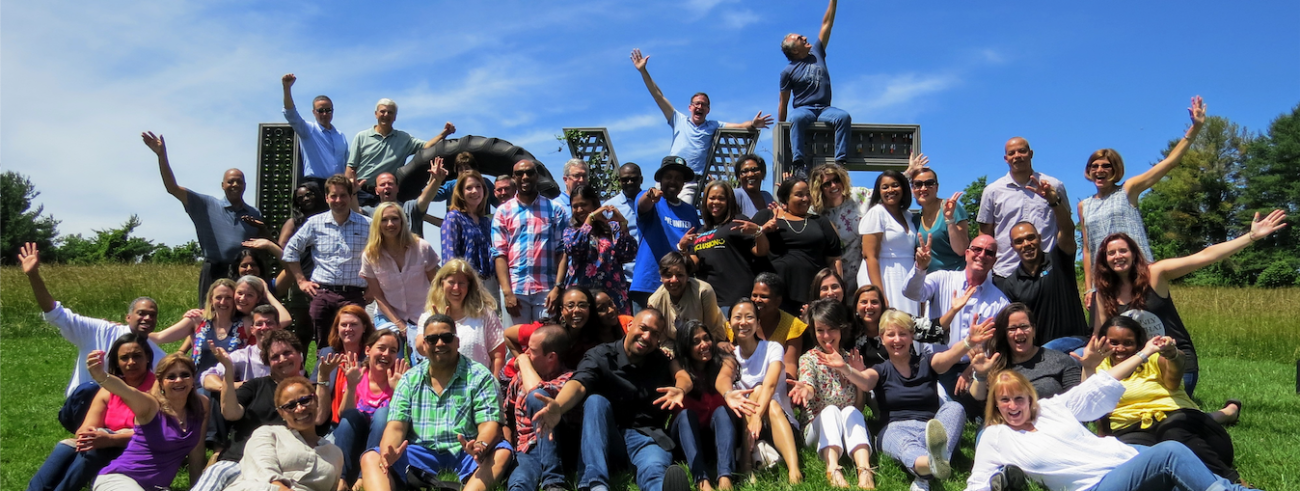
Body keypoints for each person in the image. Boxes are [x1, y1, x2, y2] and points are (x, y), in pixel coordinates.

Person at [963, 337, 1260, 491]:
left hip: (1123, 461)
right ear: (997, 406)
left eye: (1018, 398)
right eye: (1005, 401)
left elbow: (1100, 385)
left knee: (1176, 474)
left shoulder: (1051, 409)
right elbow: (977, 482)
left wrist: (1144, 353)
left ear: (1030, 398)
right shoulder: (996, 436)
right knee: (1170, 452)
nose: (1013, 406)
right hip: (1097, 485)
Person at [1091, 209, 1287, 397]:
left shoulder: (1156, 274)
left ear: (1133, 254)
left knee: (1165, 412)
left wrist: (1250, 237)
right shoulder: (1104, 294)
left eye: (1123, 251)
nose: (1117, 256)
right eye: (1111, 253)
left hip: (1175, 361)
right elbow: (1099, 339)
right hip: (1135, 365)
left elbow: (1204, 256)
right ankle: (1224, 413)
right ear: (1105, 259)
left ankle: (1223, 413)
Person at [530, 309, 695, 491]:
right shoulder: (601, 355)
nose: (647, 337)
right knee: (595, 401)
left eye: (655, 334)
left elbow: (683, 376)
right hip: (608, 439)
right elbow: (579, 384)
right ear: (630, 326)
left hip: (646, 437)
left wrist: (680, 389)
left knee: (654, 471)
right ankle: (595, 486)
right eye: (643, 328)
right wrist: (559, 406)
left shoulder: (661, 360)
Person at [827, 310, 990, 491]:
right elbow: (865, 382)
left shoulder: (926, 361)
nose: (897, 340)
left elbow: (947, 357)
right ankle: (931, 465)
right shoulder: (880, 370)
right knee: (905, 446)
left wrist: (968, 342)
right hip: (894, 428)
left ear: (911, 336)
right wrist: (846, 369)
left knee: (954, 407)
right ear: (882, 338)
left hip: (931, 429)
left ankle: (927, 471)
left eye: (903, 334)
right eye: (891, 334)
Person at [17, 242, 167, 431]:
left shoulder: (156, 355)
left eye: (152, 315)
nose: (147, 318)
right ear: (128, 317)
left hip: (122, 417)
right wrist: (33, 275)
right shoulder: (99, 330)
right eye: (142, 313)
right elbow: (55, 313)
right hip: (82, 406)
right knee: (90, 388)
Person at [359, 315, 513, 491]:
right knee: (371, 458)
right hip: (420, 452)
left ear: (457, 342)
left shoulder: (480, 376)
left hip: (466, 451)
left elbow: (489, 423)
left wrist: (480, 445)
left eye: (446, 338)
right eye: (432, 339)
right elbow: (396, 426)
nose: (439, 343)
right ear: (424, 346)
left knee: (502, 451)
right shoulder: (410, 379)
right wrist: (389, 451)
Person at [1080, 96, 1207, 308]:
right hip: (1105, 281)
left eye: (1106, 166)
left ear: (1115, 170)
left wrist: (1194, 130)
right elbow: (1087, 249)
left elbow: (1168, 163)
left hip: (1139, 274)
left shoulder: (1128, 190)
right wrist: (1089, 287)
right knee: (1111, 336)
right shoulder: (1085, 205)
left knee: (1148, 328)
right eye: (1094, 166)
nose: (1099, 170)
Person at [1090, 316, 1244, 482]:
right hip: (1133, 430)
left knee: (1172, 432)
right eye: (1114, 342)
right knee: (1132, 460)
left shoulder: (1152, 358)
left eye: (1128, 343)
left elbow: (1174, 375)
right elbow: (1097, 409)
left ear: (1138, 343)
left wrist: (1172, 354)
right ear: (1104, 342)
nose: (1120, 348)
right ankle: (1228, 412)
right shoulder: (1099, 367)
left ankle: (1232, 482)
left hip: (1185, 425)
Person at [631, 49, 773, 204]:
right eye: (696, 104)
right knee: (655, 208)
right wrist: (643, 71)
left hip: (690, 181)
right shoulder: (678, 119)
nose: (700, 106)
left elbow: (739, 126)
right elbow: (658, 96)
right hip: (669, 174)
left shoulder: (713, 125)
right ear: (690, 107)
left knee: (682, 211)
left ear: (708, 110)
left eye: (703, 105)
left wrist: (753, 124)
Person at [143, 131, 265, 306]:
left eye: (239, 181)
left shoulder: (254, 214)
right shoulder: (206, 205)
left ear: (245, 185)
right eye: (230, 181)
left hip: (241, 274)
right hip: (213, 271)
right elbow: (172, 188)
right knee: (208, 316)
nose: (235, 185)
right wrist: (161, 156)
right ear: (223, 185)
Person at [28, 333, 156, 491]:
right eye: (125, 358)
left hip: (137, 448)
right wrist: (87, 434)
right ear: (117, 362)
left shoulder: (157, 388)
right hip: (104, 440)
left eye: (137, 356)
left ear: (148, 357)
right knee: (65, 447)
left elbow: (153, 433)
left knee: (94, 450)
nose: (131, 362)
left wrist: (110, 438)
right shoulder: (109, 388)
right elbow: (86, 426)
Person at [193, 329, 308, 491]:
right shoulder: (256, 386)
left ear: (299, 353)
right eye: (274, 357)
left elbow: (320, 423)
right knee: (216, 475)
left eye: (287, 353)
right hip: (237, 460)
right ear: (268, 363)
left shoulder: (309, 392)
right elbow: (231, 412)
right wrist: (227, 368)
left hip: (278, 468)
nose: (282, 359)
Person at [904, 234, 1010, 397]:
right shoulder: (942, 279)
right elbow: (911, 292)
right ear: (967, 254)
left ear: (994, 261)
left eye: (989, 252)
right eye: (977, 249)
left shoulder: (1000, 302)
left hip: (971, 366)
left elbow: (996, 345)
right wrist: (920, 267)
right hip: (934, 362)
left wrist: (970, 371)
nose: (982, 255)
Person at [89, 352, 208, 490]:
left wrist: (196, 488)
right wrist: (101, 376)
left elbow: (197, 451)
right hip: (119, 479)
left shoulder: (201, 405)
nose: (179, 380)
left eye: (185, 375)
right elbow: (126, 391)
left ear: (193, 379)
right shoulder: (151, 406)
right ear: (161, 383)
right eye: (171, 377)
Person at [789, 300, 875, 489]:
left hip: (846, 432)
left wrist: (856, 376)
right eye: (820, 330)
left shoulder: (849, 359)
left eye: (831, 329)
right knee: (830, 411)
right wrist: (806, 390)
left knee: (851, 411)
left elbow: (859, 408)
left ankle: (865, 471)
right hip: (816, 432)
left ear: (841, 329)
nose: (826, 336)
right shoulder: (809, 359)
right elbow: (808, 384)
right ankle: (833, 469)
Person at [992, 181, 1088, 350]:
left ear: (1040, 238)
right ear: (1013, 247)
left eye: (1031, 238)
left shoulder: (1059, 260)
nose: (1026, 244)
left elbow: (1067, 230)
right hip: (1040, 356)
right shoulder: (1011, 284)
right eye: (1019, 241)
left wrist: (1053, 201)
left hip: (1076, 345)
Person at [283, 175, 371, 347]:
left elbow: (380, 256)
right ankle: (325, 374)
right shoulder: (315, 223)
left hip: (354, 294)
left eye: (343, 195)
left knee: (354, 345)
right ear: (327, 198)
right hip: (322, 294)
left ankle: (352, 374)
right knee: (324, 347)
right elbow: (291, 250)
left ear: (351, 196)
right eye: (333, 196)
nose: (338, 200)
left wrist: (373, 287)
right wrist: (301, 281)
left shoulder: (367, 224)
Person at [224, 376, 344, 491]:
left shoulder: (335, 453)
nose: (300, 408)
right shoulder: (268, 434)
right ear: (281, 413)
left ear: (316, 400)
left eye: (305, 400)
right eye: (290, 406)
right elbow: (263, 472)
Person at [728, 299, 802, 484]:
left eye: (749, 317)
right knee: (752, 395)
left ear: (758, 323)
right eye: (737, 317)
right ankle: (747, 465)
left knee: (769, 400)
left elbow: (770, 384)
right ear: (729, 324)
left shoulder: (772, 348)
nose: (743, 322)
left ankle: (794, 472)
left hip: (780, 423)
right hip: (747, 429)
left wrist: (756, 417)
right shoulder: (730, 356)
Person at [977, 137, 1071, 277]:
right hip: (1006, 272)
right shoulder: (992, 191)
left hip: (1048, 271)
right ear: (1006, 158)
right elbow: (985, 235)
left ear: (1031, 153)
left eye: (1022, 151)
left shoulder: (1053, 186)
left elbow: (1065, 225)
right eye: (1012, 153)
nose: (1017, 156)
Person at [777, 0, 851, 178]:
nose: (805, 38)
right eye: (800, 39)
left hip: (825, 108)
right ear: (795, 51)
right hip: (805, 109)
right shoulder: (787, 72)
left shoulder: (817, 52)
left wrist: (833, 2)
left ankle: (840, 163)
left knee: (843, 117)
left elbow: (827, 23)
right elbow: (783, 102)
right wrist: (781, 128)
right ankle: (799, 164)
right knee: (796, 118)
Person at [325, 330, 407, 489]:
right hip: (353, 438)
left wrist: (398, 391)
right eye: (381, 348)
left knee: (383, 413)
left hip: (381, 442)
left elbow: (403, 420)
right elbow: (344, 415)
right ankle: (341, 478)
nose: (386, 354)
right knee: (351, 414)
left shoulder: (400, 378)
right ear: (368, 350)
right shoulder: (357, 375)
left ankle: (364, 477)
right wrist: (351, 385)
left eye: (393, 350)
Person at [492, 159, 570, 324]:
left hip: (546, 290)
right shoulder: (503, 211)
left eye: (529, 172)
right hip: (515, 290)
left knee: (547, 344)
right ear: (514, 178)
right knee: (516, 342)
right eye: (519, 174)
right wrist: (507, 293)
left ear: (537, 176)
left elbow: (562, 251)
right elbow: (499, 254)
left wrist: (558, 287)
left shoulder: (555, 209)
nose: (525, 177)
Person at [752, 177, 844, 313]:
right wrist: (763, 230)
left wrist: (835, 292)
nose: (805, 199)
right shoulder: (767, 216)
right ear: (785, 198)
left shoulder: (820, 222)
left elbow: (834, 260)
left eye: (807, 194)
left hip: (812, 296)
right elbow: (750, 249)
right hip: (774, 296)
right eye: (799, 195)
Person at [671, 320, 742, 491]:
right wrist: (681, 390)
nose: (704, 345)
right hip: (687, 439)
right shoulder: (677, 363)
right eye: (696, 342)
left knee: (723, 411)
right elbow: (684, 379)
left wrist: (727, 394)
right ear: (686, 347)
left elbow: (723, 379)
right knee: (686, 415)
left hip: (719, 438)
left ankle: (725, 478)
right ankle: (703, 482)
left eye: (706, 338)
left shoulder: (725, 361)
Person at [503, 325, 576, 491]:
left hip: (557, 446)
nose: (526, 354)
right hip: (527, 449)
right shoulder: (520, 377)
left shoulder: (568, 379)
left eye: (532, 350)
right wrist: (508, 449)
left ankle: (553, 482)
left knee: (536, 398)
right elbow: (506, 415)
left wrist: (522, 361)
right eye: (526, 348)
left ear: (551, 357)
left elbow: (537, 393)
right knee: (519, 484)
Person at [968, 303, 1081, 404]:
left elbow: (1079, 401)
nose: (1019, 332)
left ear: (1034, 330)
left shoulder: (1059, 360)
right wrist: (981, 375)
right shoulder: (994, 364)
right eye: (1012, 328)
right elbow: (978, 398)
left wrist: (1089, 369)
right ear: (1004, 334)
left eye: (1024, 326)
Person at [631, 156, 702, 310]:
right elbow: (643, 204)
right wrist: (651, 196)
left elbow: (694, 252)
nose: (673, 181)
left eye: (678, 178)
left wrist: (684, 250)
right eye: (668, 177)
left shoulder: (690, 211)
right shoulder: (652, 201)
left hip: (677, 288)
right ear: (660, 180)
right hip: (648, 285)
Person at [362, 201, 440, 339]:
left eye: (395, 219)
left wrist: (434, 314)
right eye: (384, 220)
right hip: (388, 315)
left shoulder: (422, 248)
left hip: (422, 313)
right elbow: (378, 296)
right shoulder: (370, 255)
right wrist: (400, 325)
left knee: (421, 354)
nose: (390, 224)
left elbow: (436, 285)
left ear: (403, 221)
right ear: (377, 224)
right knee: (387, 349)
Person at [503, 287, 621, 378]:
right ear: (562, 310)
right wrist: (524, 361)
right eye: (570, 306)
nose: (576, 311)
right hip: (515, 377)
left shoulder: (590, 340)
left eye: (582, 305)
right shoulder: (546, 332)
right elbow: (508, 334)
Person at [688, 180, 768, 313]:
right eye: (712, 198)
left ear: (729, 201)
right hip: (709, 302)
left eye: (721, 198)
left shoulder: (737, 221)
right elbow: (693, 265)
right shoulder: (701, 231)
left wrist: (757, 232)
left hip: (734, 301)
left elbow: (761, 251)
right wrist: (683, 248)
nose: (716, 202)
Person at [345, 98, 453, 193]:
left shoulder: (404, 139)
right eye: (382, 111)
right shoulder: (361, 137)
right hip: (361, 191)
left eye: (390, 112)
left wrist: (444, 133)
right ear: (376, 114)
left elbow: (427, 146)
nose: (386, 115)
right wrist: (347, 191)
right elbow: (351, 167)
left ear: (395, 117)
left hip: (387, 193)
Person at [418, 259, 506, 375]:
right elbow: (421, 349)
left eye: (461, 283)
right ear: (442, 283)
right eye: (451, 282)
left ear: (469, 286)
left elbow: (498, 356)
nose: (456, 288)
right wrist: (439, 327)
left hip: (478, 387)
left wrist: (493, 387)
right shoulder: (429, 316)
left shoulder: (484, 314)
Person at [562, 184, 637, 314]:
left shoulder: (612, 228)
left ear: (594, 205)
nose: (579, 210)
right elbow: (575, 248)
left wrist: (623, 224)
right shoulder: (571, 231)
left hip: (612, 293)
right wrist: (589, 220)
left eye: (584, 205)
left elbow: (628, 254)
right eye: (575, 206)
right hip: (582, 294)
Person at [859, 169, 919, 315]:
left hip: (906, 276)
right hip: (884, 276)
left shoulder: (908, 215)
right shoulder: (877, 212)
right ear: (879, 191)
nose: (890, 190)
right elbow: (869, 256)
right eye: (885, 187)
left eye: (895, 185)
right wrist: (879, 294)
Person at [647, 252, 729, 356]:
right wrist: (669, 353)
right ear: (661, 277)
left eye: (680, 275)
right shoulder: (655, 302)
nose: (674, 280)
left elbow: (711, 331)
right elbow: (664, 341)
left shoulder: (703, 291)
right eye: (668, 275)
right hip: (678, 351)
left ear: (687, 276)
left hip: (709, 346)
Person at [278, 181, 329, 347]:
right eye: (300, 198)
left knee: (326, 328)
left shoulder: (329, 218)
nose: (305, 199)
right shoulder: (294, 223)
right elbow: (283, 247)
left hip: (328, 279)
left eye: (309, 194)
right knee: (303, 329)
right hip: (303, 279)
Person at [905, 154, 970, 273]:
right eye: (918, 184)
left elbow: (961, 249)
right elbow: (885, 194)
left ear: (937, 187)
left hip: (954, 279)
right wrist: (908, 172)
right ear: (912, 190)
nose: (923, 188)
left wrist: (949, 219)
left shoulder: (951, 208)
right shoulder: (914, 219)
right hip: (928, 284)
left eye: (929, 183)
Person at [199, 305, 284, 393]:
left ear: (279, 327)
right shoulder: (243, 356)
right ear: (252, 330)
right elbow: (207, 377)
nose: (264, 327)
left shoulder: (290, 354)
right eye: (259, 324)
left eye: (269, 323)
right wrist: (244, 386)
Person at [811, 163, 869, 292]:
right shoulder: (815, 212)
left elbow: (886, 191)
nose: (833, 186)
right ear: (819, 188)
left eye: (836, 180)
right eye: (827, 184)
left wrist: (908, 174)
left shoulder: (860, 196)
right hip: (835, 278)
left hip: (863, 273)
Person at [442, 170, 498, 301]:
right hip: (467, 283)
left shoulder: (485, 221)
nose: (474, 191)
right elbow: (450, 258)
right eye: (469, 188)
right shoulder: (453, 218)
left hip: (490, 283)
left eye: (478, 187)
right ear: (461, 193)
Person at [281, 73, 347, 183]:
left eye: (328, 110)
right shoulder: (308, 130)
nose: (325, 114)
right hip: (316, 184)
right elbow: (290, 113)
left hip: (338, 186)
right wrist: (286, 88)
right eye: (321, 111)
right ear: (314, 112)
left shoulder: (340, 136)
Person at [359, 158, 447, 238]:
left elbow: (425, 198)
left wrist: (437, 181)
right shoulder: (370, 212)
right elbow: (353, 211)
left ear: (397, 188)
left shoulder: (409, 208)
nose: (387, 187)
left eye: (390, 183)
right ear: (377, 191)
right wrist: (353, 193)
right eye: (382, 184)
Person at [312, 306, 377, 400]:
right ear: (337, 328)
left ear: (364, 328)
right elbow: (312, 386)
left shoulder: (372, 356)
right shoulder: (327, 354)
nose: (348, 329)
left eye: (353, 324)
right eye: (344, 325)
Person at [750, 273, 807, 380]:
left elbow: (790, 364)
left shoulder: (793, 325)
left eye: (764, 296)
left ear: (777, 301)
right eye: (754, 295)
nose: (757, 300)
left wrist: (788, 389)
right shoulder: (742, 320)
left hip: (777, 383)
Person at [602, 162, 644, 282]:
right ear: (619, 181)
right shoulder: (609, 207)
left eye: (633, 179)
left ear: (641, 179)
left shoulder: (653, 203)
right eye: (625, 180)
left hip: (649, 273)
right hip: (623, 276)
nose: (630, 182)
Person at [846, 285, 889, 367]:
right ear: (856, 307)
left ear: (882, 306)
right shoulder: (851, 333)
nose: (869, 306)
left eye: (874, 302)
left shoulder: (895, 323)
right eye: (864, 302)